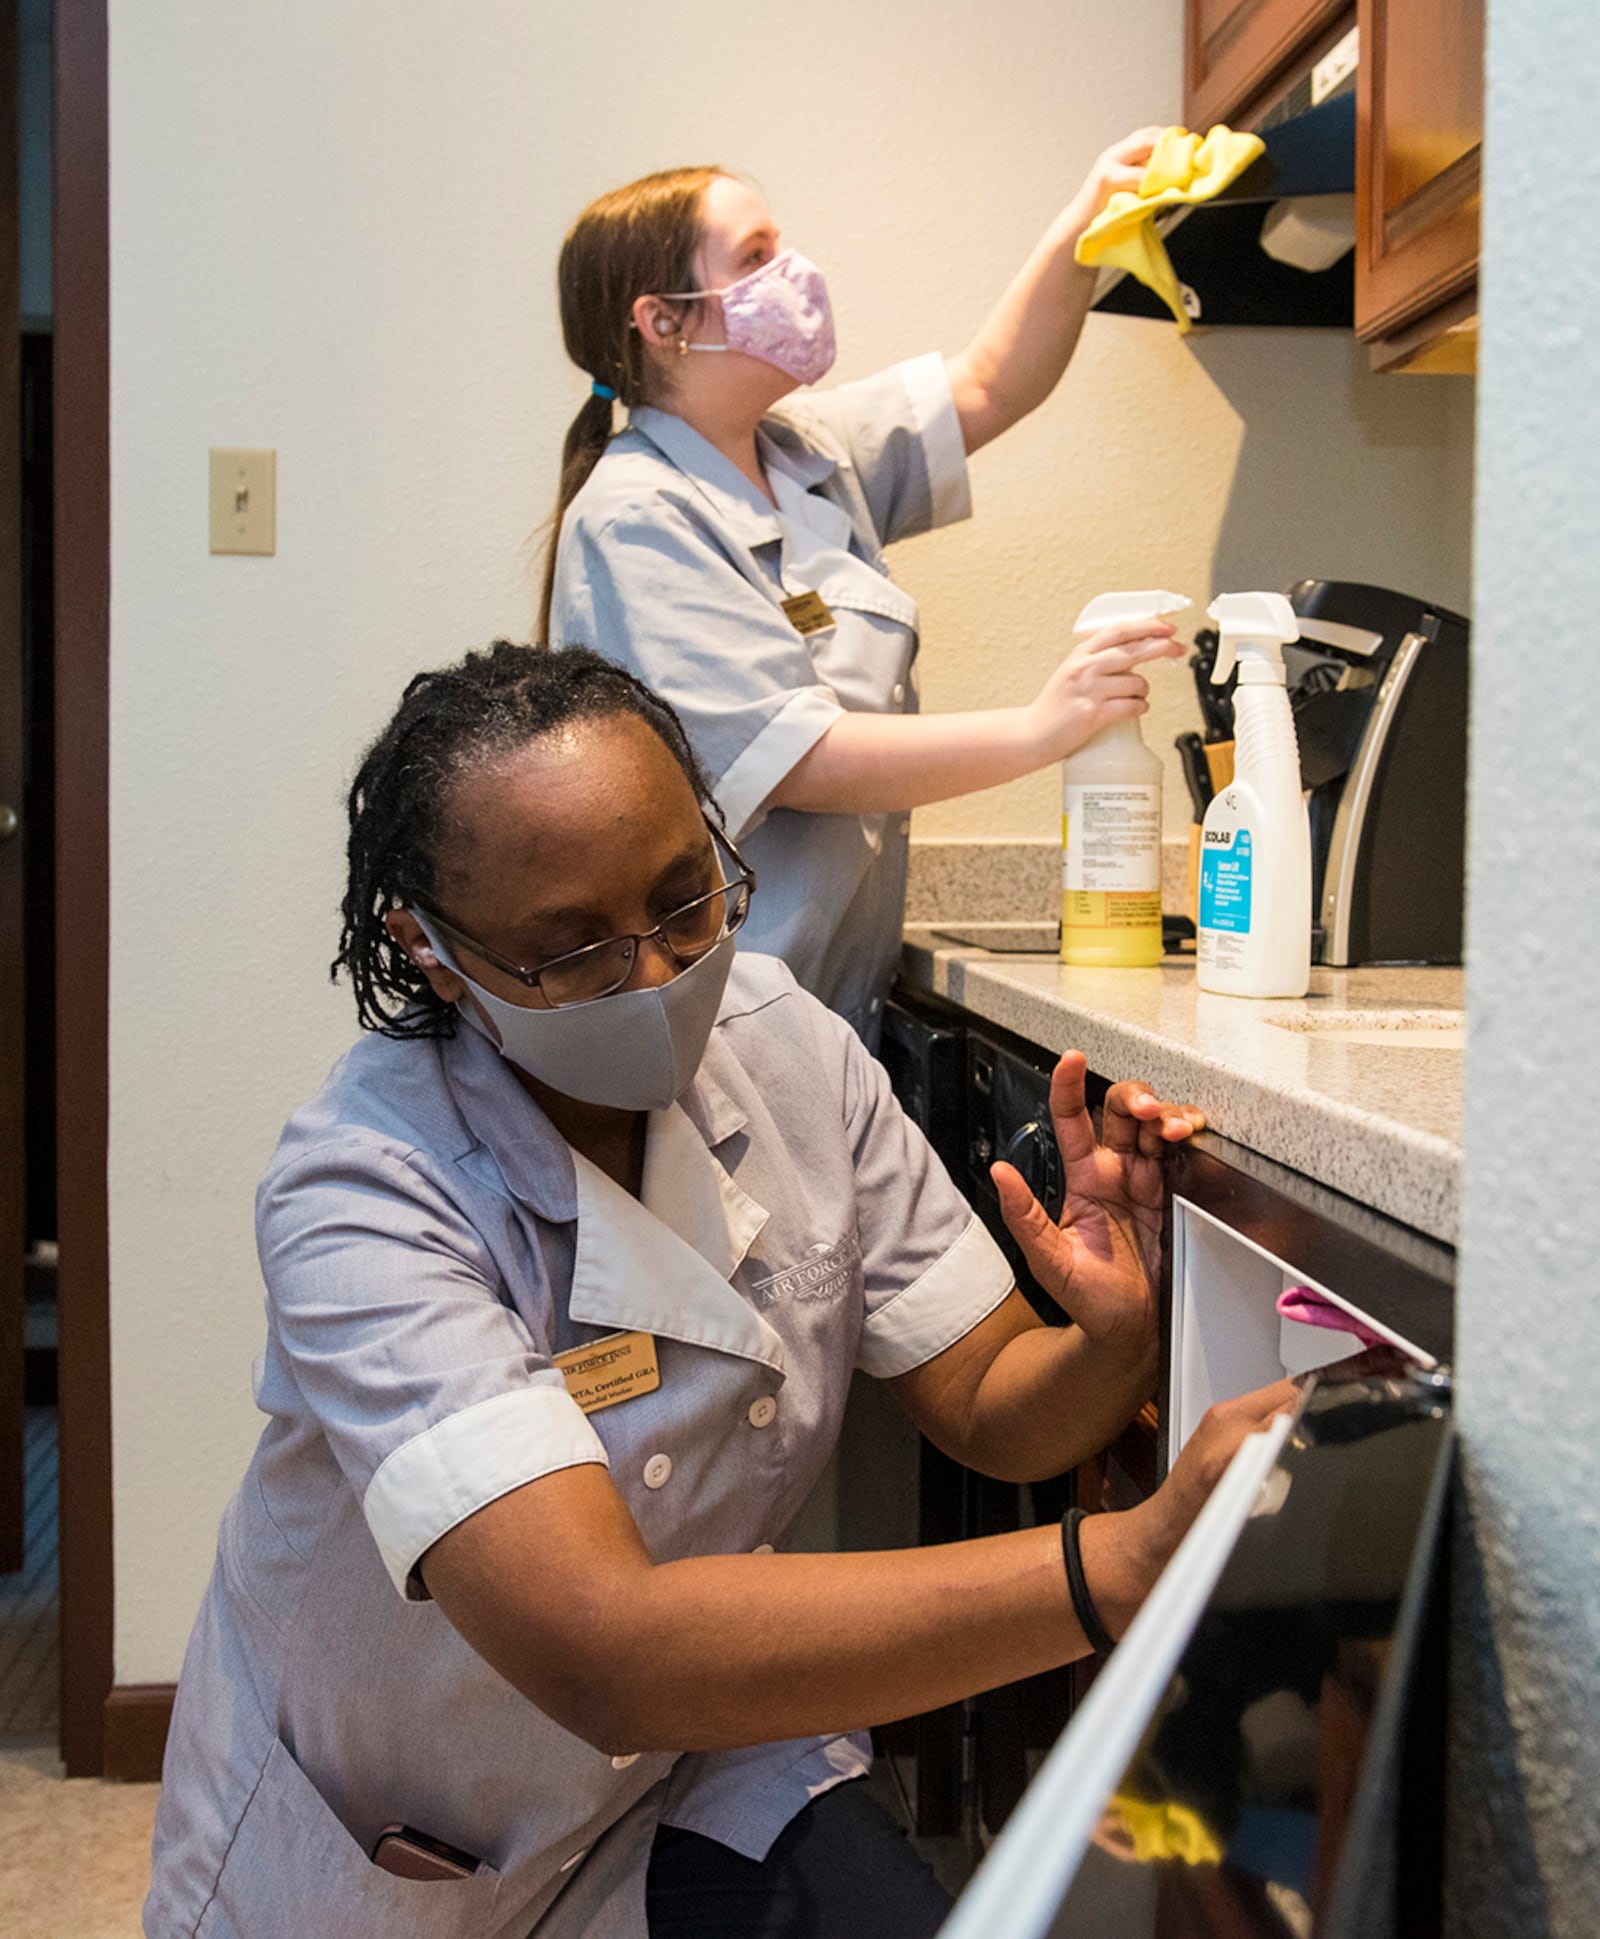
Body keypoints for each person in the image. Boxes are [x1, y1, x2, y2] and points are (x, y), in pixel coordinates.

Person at [145, 643, 1297, 1939]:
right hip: (396, 1843)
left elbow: (985, 1395)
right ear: (430, 950)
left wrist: (1111, 1334)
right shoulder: (364, 1190)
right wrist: (1119, 1568)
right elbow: (607, 1648)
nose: (655, 978)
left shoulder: (786, 1044)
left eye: (687, 899)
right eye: (571, 949)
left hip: (690, 1771)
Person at [542, 150, 1187, 1042]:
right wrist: (1045, 727)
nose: (793, 272)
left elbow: (993, 382)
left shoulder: (805, 450)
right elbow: (802, 760)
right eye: (755, 256)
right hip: (720, 1034)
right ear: (662, 321)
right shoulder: (634, 517)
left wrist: (1088, 217)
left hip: (825, 1015)